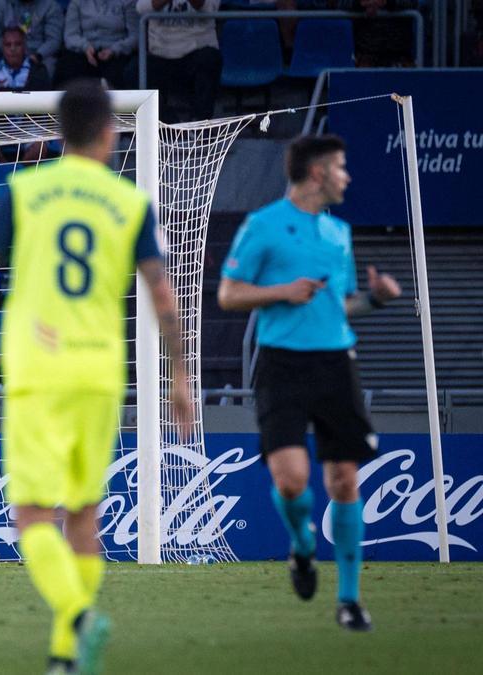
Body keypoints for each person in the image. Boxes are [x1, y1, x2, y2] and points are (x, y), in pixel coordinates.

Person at [0, 79, 193, 673]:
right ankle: (65, 655)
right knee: (84, 515)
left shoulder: (25, 190)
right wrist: (181, 376)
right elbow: (162, 295)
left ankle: (78, 618)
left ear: (58, 132)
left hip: (37, 369)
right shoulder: (130, 202)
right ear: (111, 132)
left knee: (31, 513)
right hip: (101, 371)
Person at [217, 134, 402, 633]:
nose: (348, 177)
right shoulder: (264, 225)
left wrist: (377, 299)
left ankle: (349, 599)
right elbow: (228, 295)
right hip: (282, 365)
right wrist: (282, 291)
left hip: (336, 364)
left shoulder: (339, 233)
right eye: (341, 167)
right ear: (317, 173)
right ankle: (302, 547)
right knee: (292, 479)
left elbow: (341, 304)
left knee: (344, 479)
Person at [135, 0, 221, 123]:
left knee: (211, 59)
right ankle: (169, 123)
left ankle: (200, 123)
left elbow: (209, 9)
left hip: (196, 52)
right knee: (133, 70)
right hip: (161, 54)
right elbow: (141, 8)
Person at [59, 0, 138, 88]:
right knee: (69, 66)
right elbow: (70, 35)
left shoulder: (128, 2)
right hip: (84, 52)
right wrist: (85, 47)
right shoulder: (77, 2)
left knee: (123, 71)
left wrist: (114, 50)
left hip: (118, 53)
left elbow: (135, 36)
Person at [0, 0, 64, 79]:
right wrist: (8, 50)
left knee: (48, 68)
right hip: (5, 53)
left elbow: (53, 40)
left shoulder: (51, 6)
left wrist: (37, 56)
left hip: (38, 56)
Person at [0, 26, 52, 92]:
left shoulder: (38, 71)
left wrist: (1, 90)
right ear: (2, 47)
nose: (13, 49)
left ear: (24, 46)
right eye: (8, 44)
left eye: (18, 44)